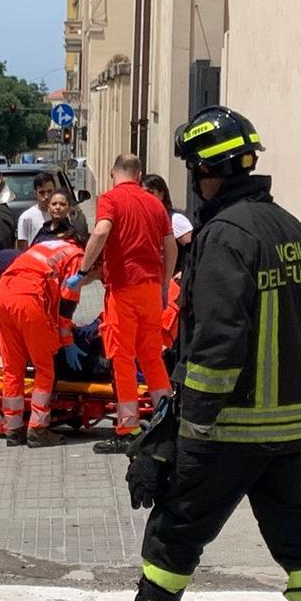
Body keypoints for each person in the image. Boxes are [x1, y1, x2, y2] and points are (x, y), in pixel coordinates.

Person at [81, 106, 301, 601]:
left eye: (193, 169)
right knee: (298, 537)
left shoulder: (226, 235)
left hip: (230, 423)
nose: (193, 180)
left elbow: (218, 336)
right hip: (289, 422)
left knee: (176, 525)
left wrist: (187, 429)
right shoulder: (290, 229)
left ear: (209, 170)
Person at [67, 154, 175, 454]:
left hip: (123, 290)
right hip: (151, 289)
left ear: (112, 172)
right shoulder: (154, 203)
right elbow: (170, 244)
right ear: (139, 175)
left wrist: (81, 272)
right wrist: (164, 282)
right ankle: (166, 420)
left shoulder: (110, 199)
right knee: (152, 356)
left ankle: (127, 428)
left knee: (122, 358)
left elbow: (101, 231)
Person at [0, 224, 89, 448]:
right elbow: (67, 304)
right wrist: (67, 342)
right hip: (29, 299)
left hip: (4, 293)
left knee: (12, 367)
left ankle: (13, 428)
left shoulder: (47, 245)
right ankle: (38, 429)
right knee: (45, 368)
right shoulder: (78, 256)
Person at [141, 173, 194, 248]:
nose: (146, 197)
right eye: (142, 193)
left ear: (161, 194)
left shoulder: (175, 219)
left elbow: (193, 249)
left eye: (150, 193)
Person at [16, 172, 56, 248]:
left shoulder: (61, 215)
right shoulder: (26, 218)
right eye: (42, 192)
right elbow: (23, 250)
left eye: (49, 191)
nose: (46, 196)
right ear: (35, 193)